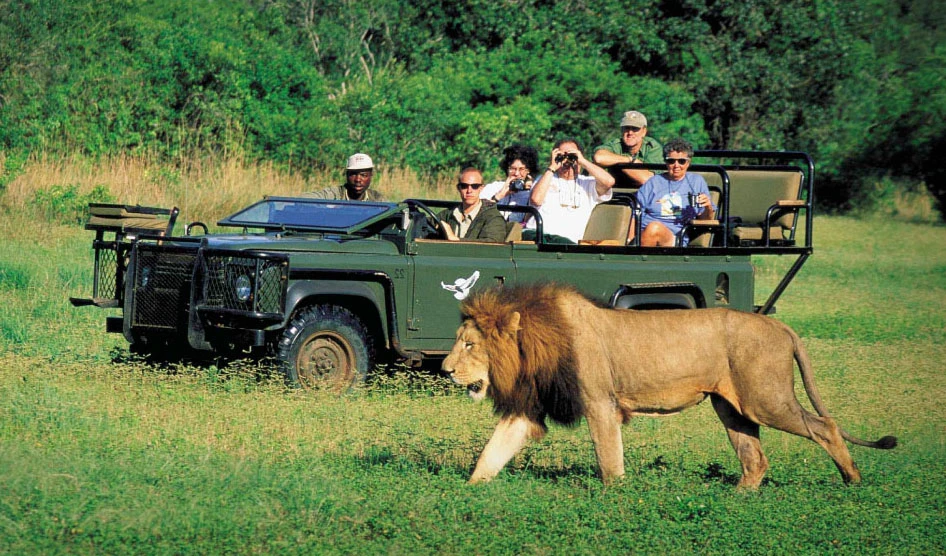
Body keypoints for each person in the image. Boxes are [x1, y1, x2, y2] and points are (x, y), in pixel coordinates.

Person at [528, 138, 616, 244]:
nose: (567, 160)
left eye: (571, 155)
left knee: (560, 242)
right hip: (536, 235)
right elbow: (535, 200)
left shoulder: (588, 183)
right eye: (562, 155)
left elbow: (609, 181)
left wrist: (582, 161)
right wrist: (552, 167)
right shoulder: (545, 178)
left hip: (564, 243)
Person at [635, 138, 716, 247]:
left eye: (681, 161)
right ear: (665, 162)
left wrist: (708, 206)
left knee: (654, 228)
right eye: (671, 161)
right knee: (608, 243)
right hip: (642, 233)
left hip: (674, 236)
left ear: (688, 162)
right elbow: (635, 213)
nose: (676, 165)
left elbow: (706, 221)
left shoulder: (696, 182)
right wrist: (629, 238)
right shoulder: (653, 182)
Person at [593, 110, 664, 189]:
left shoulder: (652, 147)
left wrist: (615, 161)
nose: (630, 132)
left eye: (635, 128)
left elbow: (647, 179)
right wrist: (630, 160)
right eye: (626, 128)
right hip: (617, 194)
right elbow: (599, 158)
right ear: (621, 130)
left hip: (645, 194)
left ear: (644, 131)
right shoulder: (616, 145)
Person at [436, 167, 507, 242]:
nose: (469, 191)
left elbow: (493, 244)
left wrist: (455, 239)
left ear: (481, 188)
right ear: (459, 188)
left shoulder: (493, 217)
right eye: (464, 186)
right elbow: (428, 223)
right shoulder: (448, 214)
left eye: (475, 186)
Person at [479, 144, 539, 224]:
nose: (517, 173)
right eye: (513, 169)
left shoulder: (531, 194)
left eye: (521, 169)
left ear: (529, 171)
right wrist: (499, 195)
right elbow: (478, 212)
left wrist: (531, 190)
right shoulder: (493, 187)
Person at [304, 153, 384, 201]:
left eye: (363, 175)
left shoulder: (376, 199)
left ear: (371, 175)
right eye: (353, 174)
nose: (358, 180)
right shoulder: (334, 195)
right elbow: (304, 199)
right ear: (347, 174)